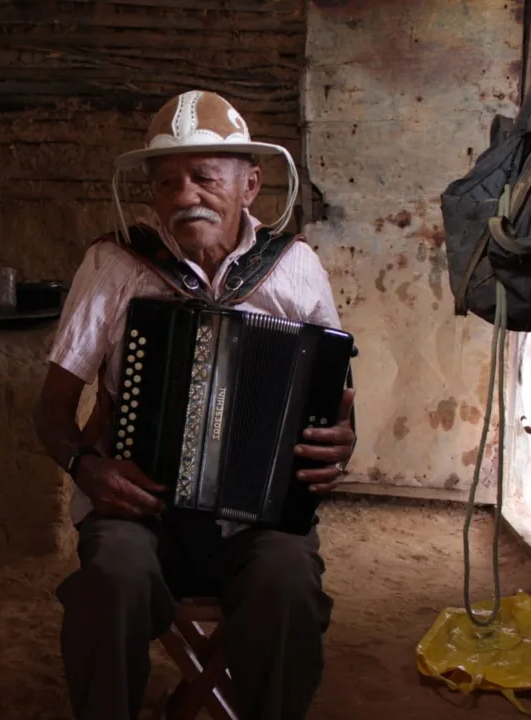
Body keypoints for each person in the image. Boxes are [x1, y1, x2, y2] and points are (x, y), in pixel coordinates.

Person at [34, 90, 357, 720]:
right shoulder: (113, 265)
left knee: (289, 583)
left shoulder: (296, 268)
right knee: (111, 579)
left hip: (257, 521)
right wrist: (85, 467)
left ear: (250, 185)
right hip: (138, 514)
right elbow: (51, 409)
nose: (185, 196)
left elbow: (335, 404)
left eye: (205, 178)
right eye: (167, 182)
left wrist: (342, 442)